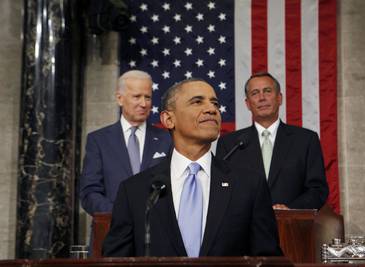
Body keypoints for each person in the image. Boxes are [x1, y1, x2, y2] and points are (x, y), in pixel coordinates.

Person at [102, 78, 283, 257]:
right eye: (197, 102)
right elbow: (116, 259)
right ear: (168, 119)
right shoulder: (134, 190)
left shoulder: (249, 185)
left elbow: (268, 259)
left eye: (215, 103)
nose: (212, 109)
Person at [216, 72, 329, 210]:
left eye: (267, 91)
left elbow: (317, 189)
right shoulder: (230, 144)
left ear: (279, 98)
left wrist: (289, 210)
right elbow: (221, 188)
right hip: (244, 227)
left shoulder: (306, 140)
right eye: (255, 93)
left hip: (290, 226)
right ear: (247, 103)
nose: (262, 98)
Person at [80, 70, 172, 215]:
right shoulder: (98, 140)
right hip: (112, 229)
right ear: (119, 98)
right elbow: (90, 192)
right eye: (137, 96)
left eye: (147, 97)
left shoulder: (168, 139)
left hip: (156, 229)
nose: (143, 103)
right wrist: (120, 214)